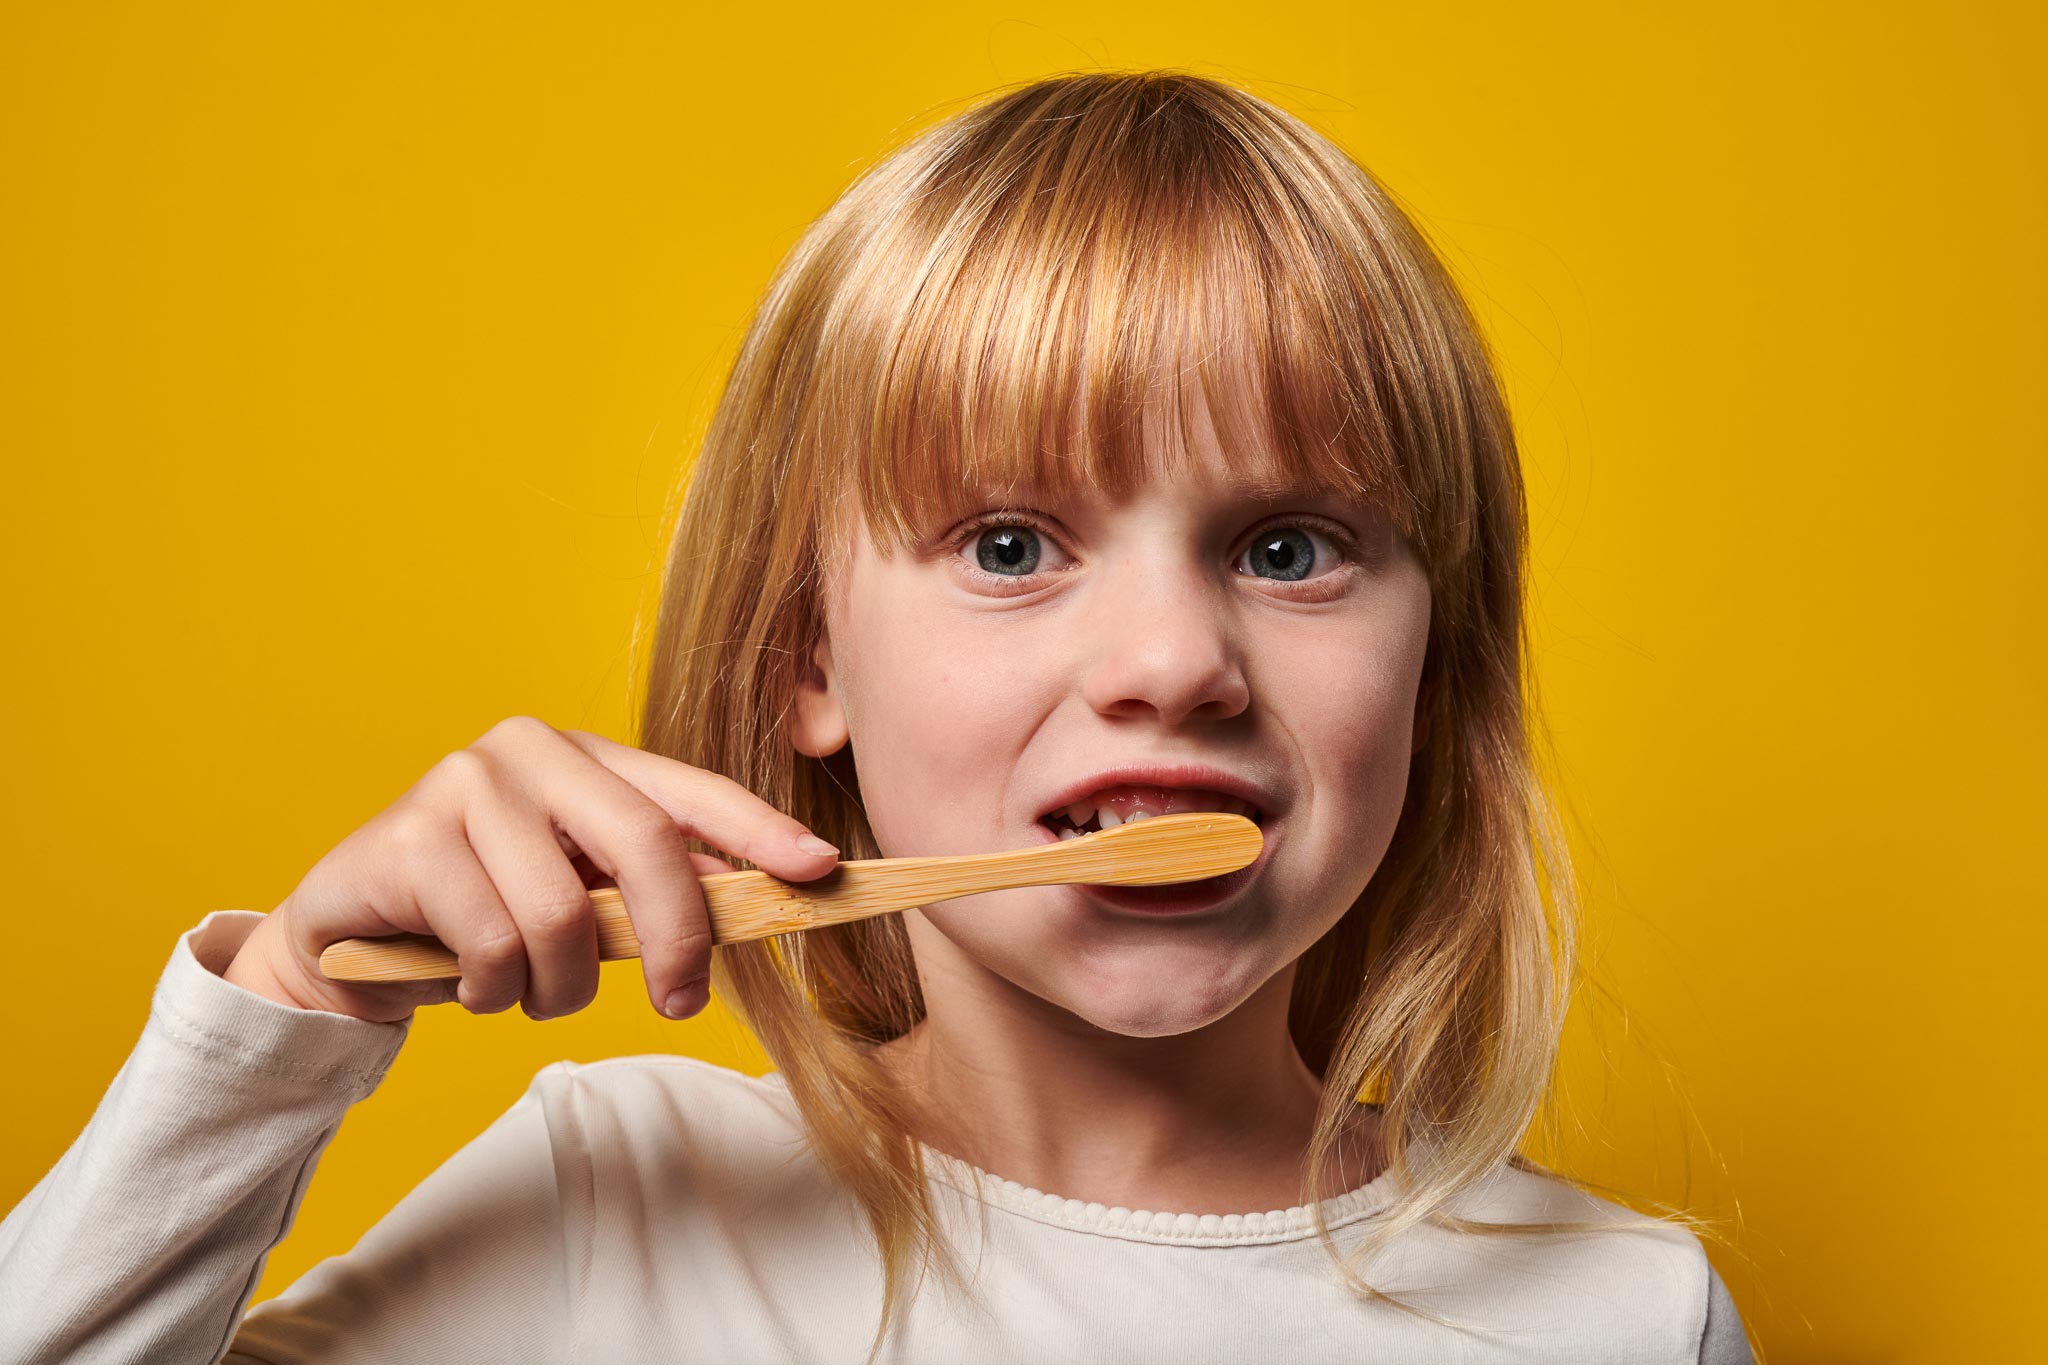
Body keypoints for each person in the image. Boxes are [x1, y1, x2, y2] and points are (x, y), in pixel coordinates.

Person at [0, 70, 1757, 1364]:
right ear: (801, 658)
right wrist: (286, 1012)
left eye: (1289, 548)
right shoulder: (619, 1204)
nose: (1173, 658)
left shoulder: (1624, 1316)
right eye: (1010, 542)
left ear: (1437, 669)